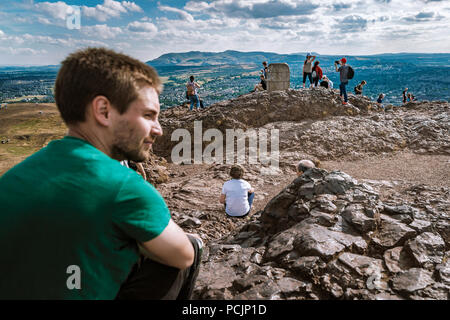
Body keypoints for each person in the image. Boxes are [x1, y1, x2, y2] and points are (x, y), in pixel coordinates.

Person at [0, 47, 202, 300]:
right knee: (192, 245)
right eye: (149, 115)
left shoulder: (14, 177)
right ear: (104, 111)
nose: (158, 129)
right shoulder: (121, 185)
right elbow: (183, 255)